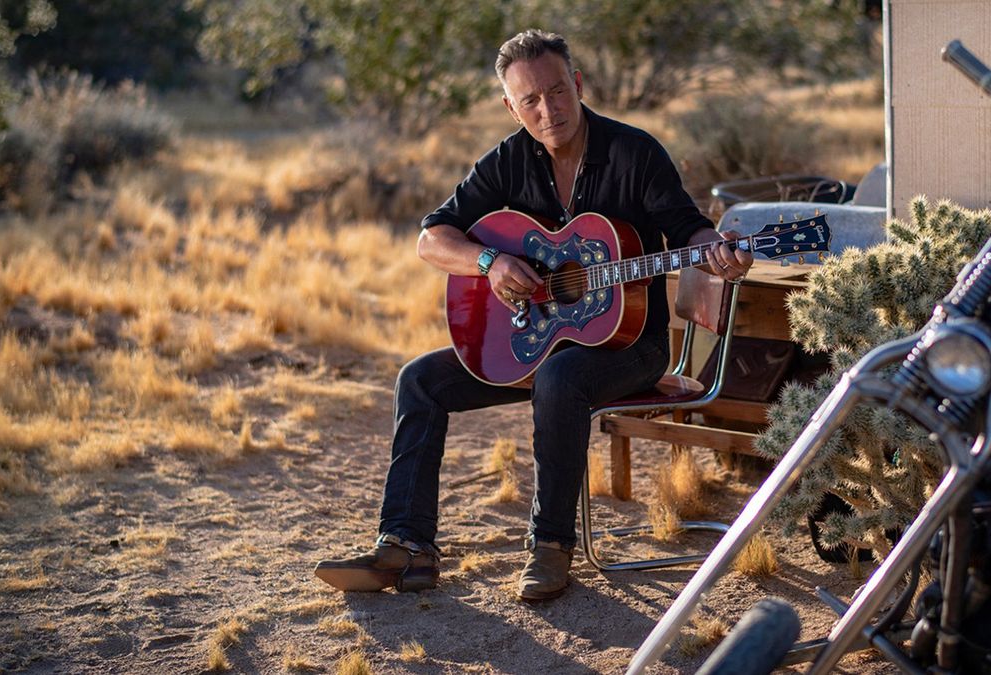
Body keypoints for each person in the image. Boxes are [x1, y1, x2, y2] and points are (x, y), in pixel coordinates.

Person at [314, 29, 753, 601]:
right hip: (535, 342)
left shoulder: (635, 152)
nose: (548, 111)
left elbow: (686, 226)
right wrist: (490, 261)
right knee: (418, 380)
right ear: (510, 107)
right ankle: (406, 546)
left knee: (560, 377)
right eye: (529, 101)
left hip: (632, 348)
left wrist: (716, 250)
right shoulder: (506, 162)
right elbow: (431, 240)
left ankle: (550, 546)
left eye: (556, 92)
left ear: (576, 83)